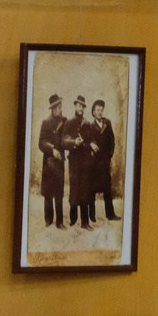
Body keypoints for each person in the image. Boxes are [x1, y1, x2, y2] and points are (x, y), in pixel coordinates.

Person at [86, 99, 119, 222]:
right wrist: (91, 146)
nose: (100, 112)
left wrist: (109, 155)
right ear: (93, 112)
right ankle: (92, 215)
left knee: (107, 188)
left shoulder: (107, 123)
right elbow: (88, 141)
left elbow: (112, 140)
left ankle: (110, 214)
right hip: (94, 163)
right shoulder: (90, 126)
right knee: (92, 189)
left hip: (105, 162)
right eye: (98, 110)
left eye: (101, 110)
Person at [38, 93, 68, 228]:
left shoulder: (64, 122)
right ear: (54, 109)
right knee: (48, 192)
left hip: (59, 161)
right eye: (60, 107)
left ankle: (60, 222)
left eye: (61, 107)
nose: (61, 110)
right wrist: (52, 149)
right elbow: (41, 143)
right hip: (49, 161)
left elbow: (66, 139)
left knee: (59, 192)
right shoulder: (46, 122)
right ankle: (48, 219)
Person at [65, 95, 92, 229]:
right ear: (75, 106)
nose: (80, 108)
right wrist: (74, 142)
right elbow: (64, 141)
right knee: (74, 188)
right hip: (74, 161)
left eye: (83, 106)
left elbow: (91, 140)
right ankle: (73, 219)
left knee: (85, 189)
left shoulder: (87, 123)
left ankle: (85, 223)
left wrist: (87, 144)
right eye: (79, 105)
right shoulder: (69, 123)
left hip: (85, 161)